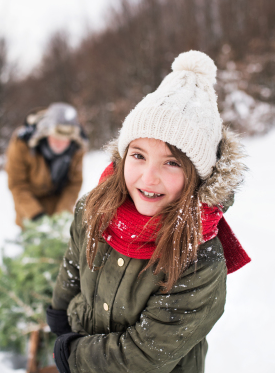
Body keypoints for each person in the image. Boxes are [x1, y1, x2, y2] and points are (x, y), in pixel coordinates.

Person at [45, 51, 251, 373]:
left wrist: (73, 356)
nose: (147, 177)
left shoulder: (198, 260)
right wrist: (59, 310)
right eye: (138, 155)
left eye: (171, 163)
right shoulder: (94, 207)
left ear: (197, 176)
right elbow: (74, 261)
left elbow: (144, 356)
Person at [5, 103, 86, 228]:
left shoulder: (77, 149)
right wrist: (36, 216)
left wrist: (62, 215)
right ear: (46, 132)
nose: (60, 143)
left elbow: (74, 183)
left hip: (59, 207)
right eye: (56, 137)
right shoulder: (22, 144)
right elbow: (17, 184)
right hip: (29, 211)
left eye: (65, 139)